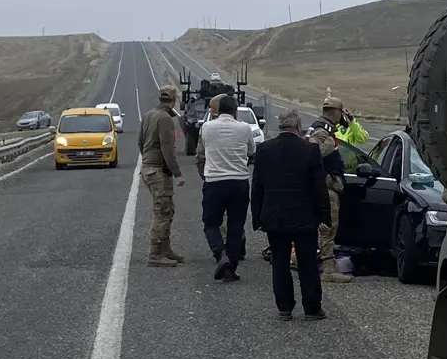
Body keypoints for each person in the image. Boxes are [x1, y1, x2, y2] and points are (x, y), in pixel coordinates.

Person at [251, 109, 330, 320]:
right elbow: (319, 187)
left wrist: (256, 216)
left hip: (274, 215)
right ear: (297, 126)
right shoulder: (310, 150)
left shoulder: (264, 149)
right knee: (307, 263)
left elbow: (257, 185)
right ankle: (312, 307)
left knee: (280, 262)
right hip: (304, 216)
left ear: (280, 126)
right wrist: (324, 216)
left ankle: (284, 307)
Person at [196, 94, 254, 282]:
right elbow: (251, 151)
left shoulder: (206, 127)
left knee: (211, 223)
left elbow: (203, 150)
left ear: (218, 111)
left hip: (215, 181)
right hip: (239, 181)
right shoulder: (245, 128)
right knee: (236, 226)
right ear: (235, 110)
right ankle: (231, 268)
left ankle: (220, 255)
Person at [304, 96, 355, 283]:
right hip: (327, 190)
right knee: (328, 228)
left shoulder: (324, 127)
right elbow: (313, 152)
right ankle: (328, 269)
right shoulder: (322, 130)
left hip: (323, 187)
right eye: (340, 113)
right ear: (335, 112)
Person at [138, 84, 185, 267]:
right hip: (158, 169)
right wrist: (177, 173)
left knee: (167, 209)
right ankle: (155, 254)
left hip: (149, 167)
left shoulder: (149, 114)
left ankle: (165, 249)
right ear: (173, 101)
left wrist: (147, 159)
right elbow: (167, 149)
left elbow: (140, 141)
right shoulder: (165, 118)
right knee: (162, 211)